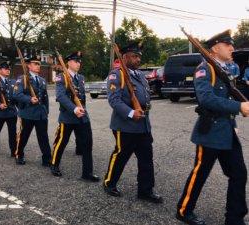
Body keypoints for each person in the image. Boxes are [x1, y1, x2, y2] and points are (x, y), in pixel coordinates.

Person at [176, 30, 249, 225]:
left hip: (226, 131)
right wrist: (239, 106)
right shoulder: (205, 69)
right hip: (209, 132)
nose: (232, 48)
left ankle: (234, 218)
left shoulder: (226, 70)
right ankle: (183, 210)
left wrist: (232, 122)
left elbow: (225, 97)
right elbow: (206, 99)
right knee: (200, 174)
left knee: (239, 173)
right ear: (215, 48)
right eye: (228, 45)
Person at [102, 41, 163, 203]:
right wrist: (130, 112)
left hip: (143, 124)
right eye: (134, 56)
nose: (138, 60)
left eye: (139, 57)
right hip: (125, 125)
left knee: (146, 159)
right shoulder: (117, 75)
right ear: (125, 57)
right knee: (121, 156)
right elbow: (114, 100)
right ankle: (109, 183)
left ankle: (145, 190)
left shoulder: (140, 75)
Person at [51, 51, 99, 182]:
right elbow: (60, 96)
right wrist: (74, 108)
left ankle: (87, 173)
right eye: (76, 61)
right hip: (68, 116)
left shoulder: (80, 78)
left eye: (79, 62)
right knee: (61, 143)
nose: (78, 64)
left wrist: (80, 109)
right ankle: (54, 165)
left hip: (83, 116)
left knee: (87, 144)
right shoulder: (62, 77)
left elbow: (81, 97)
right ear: (68, 62)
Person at [13, 55, 52, 166]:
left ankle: (47, 158)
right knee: (24, 136)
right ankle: (19, 155)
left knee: (43, 137)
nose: (38, 66)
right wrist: (29, 99)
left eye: (39, 64)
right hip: (27, 113)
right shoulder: (23, 78)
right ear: (29, 66)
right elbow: (16, 94)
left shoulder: (42, 80)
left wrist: (46, 111)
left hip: (41, 113)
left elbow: (45, 98)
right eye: (35, 64)